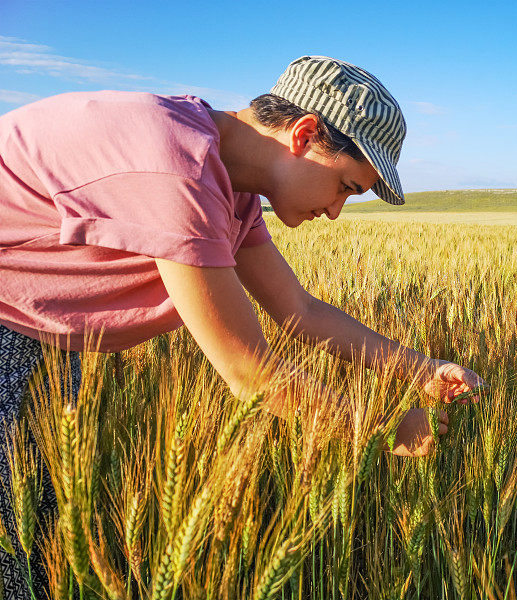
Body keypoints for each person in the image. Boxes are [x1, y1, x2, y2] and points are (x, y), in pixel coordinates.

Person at [0, 56, 485, 598]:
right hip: (9, 325)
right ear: (304, 134)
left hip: (40, 331)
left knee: (37, 529)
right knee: (13, 543)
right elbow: (249, 373)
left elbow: (300, 310)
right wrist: (384, 429)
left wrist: (422, 370)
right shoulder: (174, 164)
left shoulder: (231, 187)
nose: (336, 212)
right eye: (346, 186)